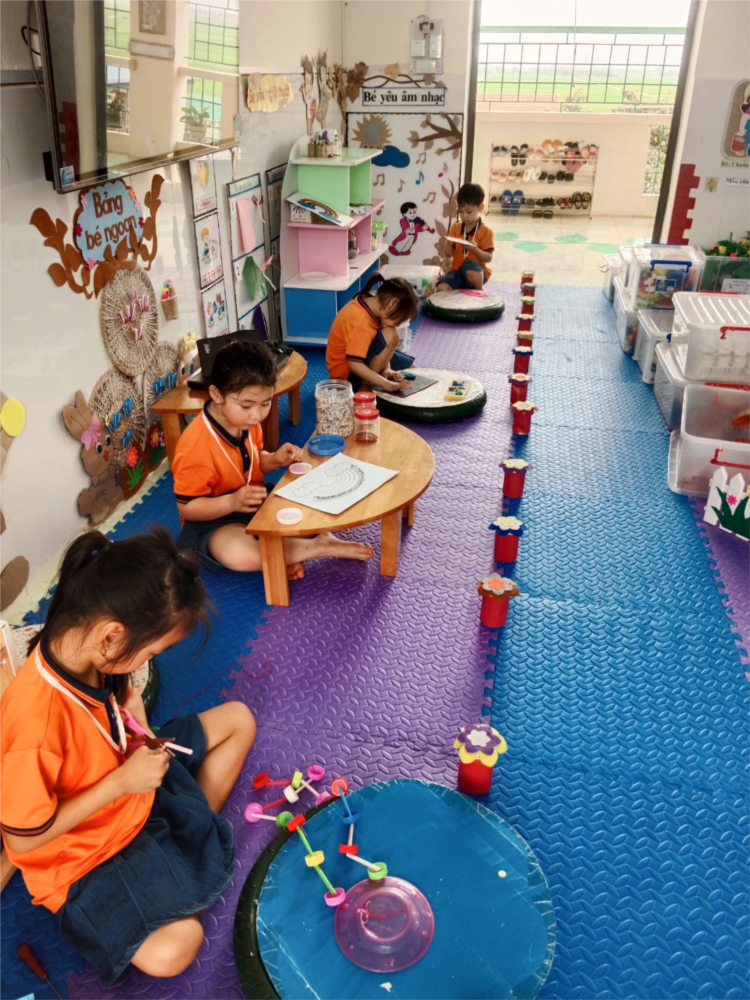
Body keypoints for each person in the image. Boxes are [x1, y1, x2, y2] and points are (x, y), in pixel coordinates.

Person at [0, 528, 255, 982]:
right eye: (151, 652)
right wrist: (122, 782)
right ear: (112, 636)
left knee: (239, 719)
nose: (145, 663)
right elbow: (20, 841)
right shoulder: (32, 722)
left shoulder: (84, 646)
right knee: (175, 949)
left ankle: (177, 844)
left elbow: (105, 727)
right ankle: (179, 843)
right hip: (83, 853)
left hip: (128, 781)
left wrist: (134, 722)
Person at [174, 339, 372, 577]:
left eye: (265, 403)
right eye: (246, 405)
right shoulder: (194, 446)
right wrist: (231, 503)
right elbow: (188, 508)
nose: (257, 415)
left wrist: (274, 460)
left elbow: (254, 462)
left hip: (254, 501)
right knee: (238, 554)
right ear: (216, 394)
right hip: (213, 522)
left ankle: (283, 555)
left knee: (307, 500)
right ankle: (317, 547)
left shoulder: (247, 422)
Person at [325, 272, 419, 392]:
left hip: (362, 354)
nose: (398, 324)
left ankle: (379, 375)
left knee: (411, 368)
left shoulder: (373, 303)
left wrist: (387, 368)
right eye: (400, 320)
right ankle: (365, 385)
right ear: (392, 304)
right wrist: (385, 384)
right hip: (347, 374)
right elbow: (354, 364)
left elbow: (381, 342)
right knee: (391, 334)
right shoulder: (361, 323)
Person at [435, 182, 495, 292]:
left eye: (468, 211)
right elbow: (449, 255)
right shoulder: (456, 227)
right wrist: (448, 251)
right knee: (441, 288)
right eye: (461, 211)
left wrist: (475, 250)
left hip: (476, 273)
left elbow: (489, 258)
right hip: (457, 271)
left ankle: (479, 290)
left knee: (469, 265)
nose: (464, 216)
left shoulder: (486, 231)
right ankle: (462, 289)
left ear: (481, 207)